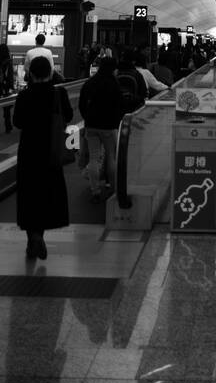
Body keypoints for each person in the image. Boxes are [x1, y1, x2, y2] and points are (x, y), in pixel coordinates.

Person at [13, 55, 73, 259]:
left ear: (30, 73)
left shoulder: (24, 95)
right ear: (50, 73)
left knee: (29, 194)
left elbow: (18, 122)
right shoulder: (58, 93)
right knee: (48, 192)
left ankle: (33, 237)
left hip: (29, 150)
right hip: (51, 150)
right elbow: (69, 116)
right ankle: (39, 235)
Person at [79, 56, 124, 203]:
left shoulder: (90, 82)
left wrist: (87, 117)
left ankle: (95, 190)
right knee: (111, 157)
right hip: (109, 126)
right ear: (112, 69)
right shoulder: (114, 84)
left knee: (94, 158)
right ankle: (112, 189)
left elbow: (81, 104)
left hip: (91, 125)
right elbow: (119, 105)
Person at [116, 48, 148, 113]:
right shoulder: (137, 74)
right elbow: (144, 94)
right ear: (133, 61)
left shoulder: (116, 73)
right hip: (133, 109)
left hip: (117, 109)